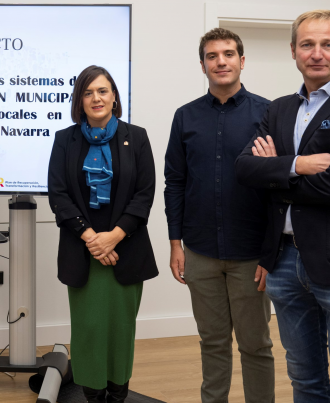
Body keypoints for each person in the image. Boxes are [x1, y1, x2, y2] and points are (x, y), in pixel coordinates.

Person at [164, 28, 274, 402]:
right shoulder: (186, 117)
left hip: (251, 256)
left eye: (228, 54)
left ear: (242, 61)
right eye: (212, 56)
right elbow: (174, 183)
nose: (221, 61)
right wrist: (175, 244)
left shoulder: (268, 114)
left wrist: (270, 253)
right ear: (203, 65)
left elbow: (280, 190)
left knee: (256, 346)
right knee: (212, 343)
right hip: (199, 251)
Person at [48, 65, 158, 403]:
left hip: (126, 250)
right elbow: (59, 195)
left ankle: (118, 392)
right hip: (83, 253)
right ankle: (92, 393)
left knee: (121, 329)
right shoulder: (65, 139)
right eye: (88, 92)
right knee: (89, 330)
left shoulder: (136, 136)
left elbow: (145, 194)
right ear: (79, 100)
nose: (96, 98)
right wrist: (93, 238)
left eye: (103, 91)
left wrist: (114, 236)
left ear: (114, 97)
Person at [236, 9, 330, 402]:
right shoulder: (278, 109)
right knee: (304, 375)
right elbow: (245, 167)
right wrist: (299, 165)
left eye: (327, 44)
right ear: (293, 51)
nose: (317, 53)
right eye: (307, 44)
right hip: (285, 261)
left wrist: (276, 171)